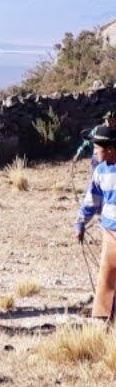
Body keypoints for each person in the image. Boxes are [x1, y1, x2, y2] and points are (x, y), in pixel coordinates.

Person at [74, 126, 116, 322]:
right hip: (110, 231)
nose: (95, 152)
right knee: (107, 275)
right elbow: (92, 200)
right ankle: (105, 318)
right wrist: (80, 223)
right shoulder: (100, 171)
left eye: (97, 148)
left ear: (111, 149)